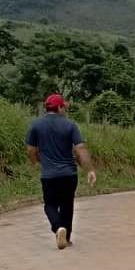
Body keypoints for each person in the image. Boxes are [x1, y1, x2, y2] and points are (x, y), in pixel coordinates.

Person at [25, 94, 96, 250]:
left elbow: (30, 149)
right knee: (67, 205)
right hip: (69, 174)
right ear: (59, 107)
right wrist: (89, 170)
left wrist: (37, 161)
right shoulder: (70, 125)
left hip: (49, 175)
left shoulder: (35, 125)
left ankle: (58, 228)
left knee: (50, 205)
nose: (65, 110)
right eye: (63, 107)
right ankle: (66, 238)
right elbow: (80, 149)